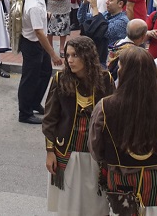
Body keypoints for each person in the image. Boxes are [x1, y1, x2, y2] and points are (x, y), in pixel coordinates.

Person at [89, 46, 157, 216]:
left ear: (125, 72)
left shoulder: (104, 106)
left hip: (122, 183)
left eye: (121, 66)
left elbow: (96, 149)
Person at [42, 37, 114, 216]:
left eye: (75, 55)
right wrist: (50, 152)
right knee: (69, 205)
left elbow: (114, 118)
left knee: (95, 204)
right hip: (67, 151)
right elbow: (50, 119)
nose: (70, 60)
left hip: (96, 153)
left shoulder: (106, 79)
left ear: (87, 55)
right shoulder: (60, 79)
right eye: (67, 56)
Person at [19, 0, 63, 124]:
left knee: (45, 73)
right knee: (29, 79)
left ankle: (34, 102)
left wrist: (46, 14)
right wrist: (53, 54)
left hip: (38, 44)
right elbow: (38, 32)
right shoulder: (35, 6)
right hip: (33, 45)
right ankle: (24, 114)